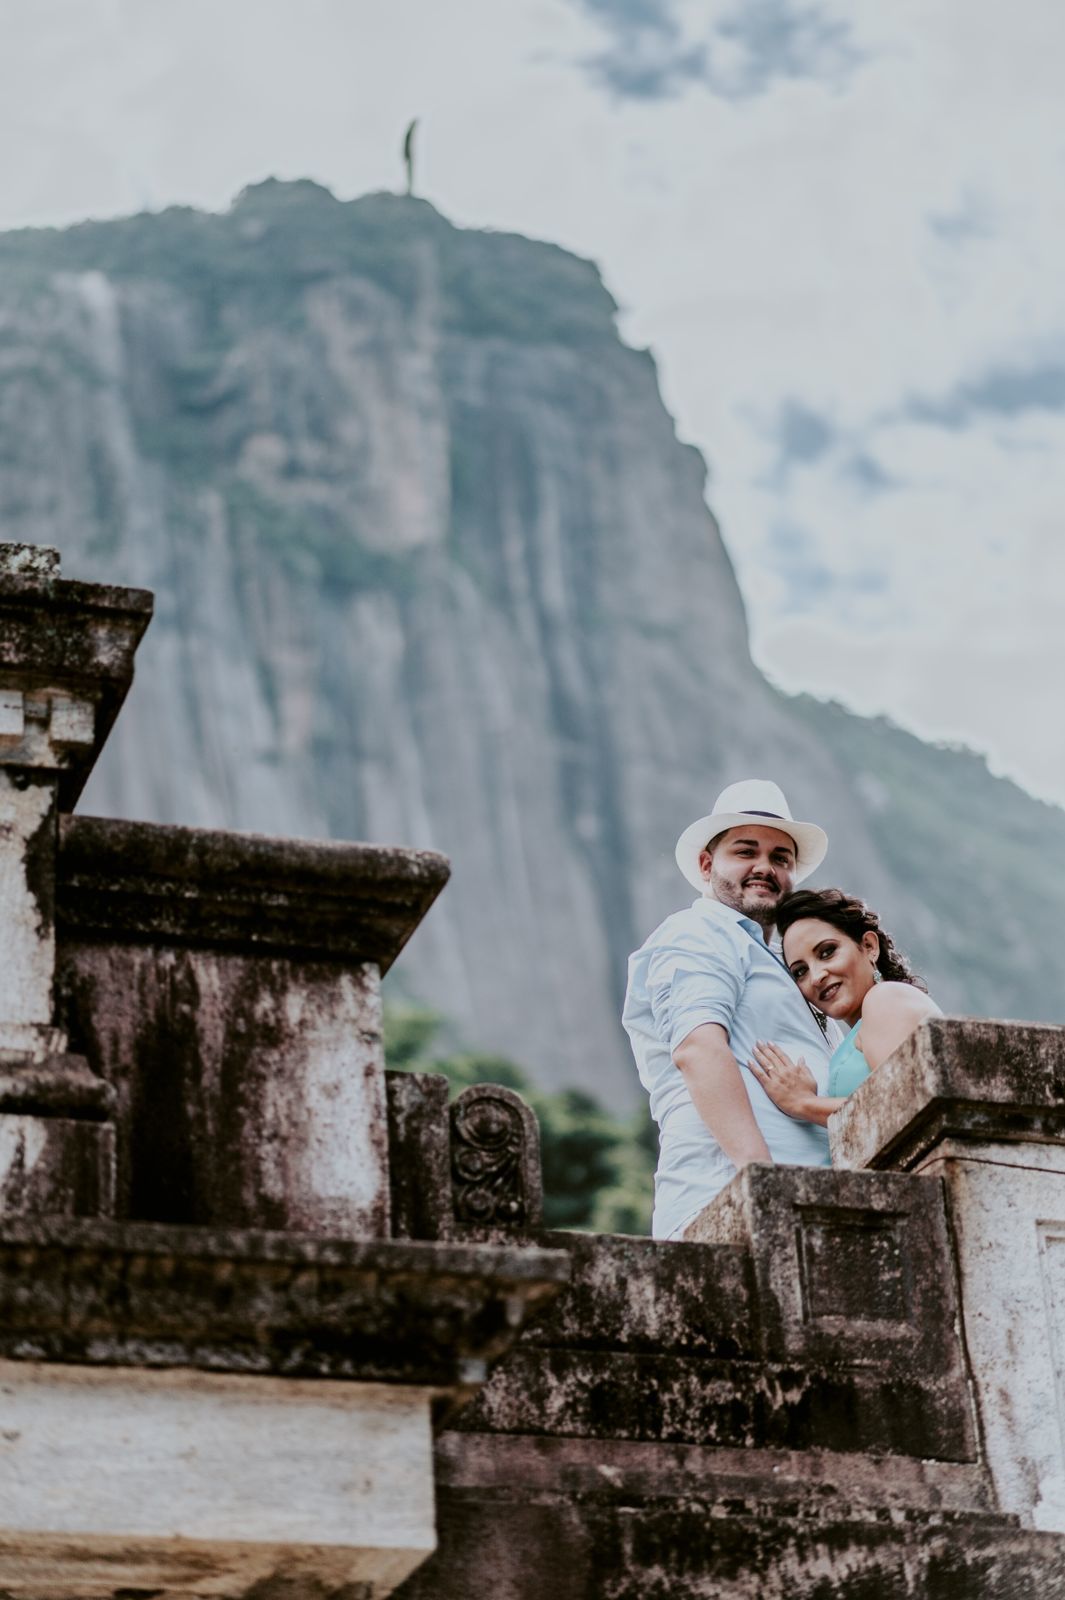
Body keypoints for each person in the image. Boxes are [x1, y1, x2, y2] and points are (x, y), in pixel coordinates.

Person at [623, 779, 836, 1240]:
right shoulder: (701, 931)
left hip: (799, 1211)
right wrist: (761, 1183)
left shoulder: (783, 962)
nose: (764, 867)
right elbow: (698, 1049)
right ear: (707, 864)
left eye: (780, 858)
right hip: (729, 1203)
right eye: (746, 851)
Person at [748, 888, 940, 1126]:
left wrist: (804, 1103)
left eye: (827, 952)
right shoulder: (868, 1022)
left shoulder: (885, 998)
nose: (816, 977)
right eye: (800, 971)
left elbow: (904, 1102)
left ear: (869, 946)